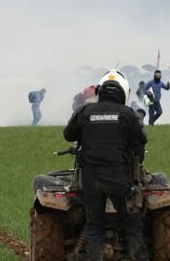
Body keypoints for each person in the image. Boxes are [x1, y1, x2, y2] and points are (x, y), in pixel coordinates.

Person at [64, 70, 149, 261]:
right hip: (119, 179)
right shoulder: (128, 114)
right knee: (131, 223)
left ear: (100, 91)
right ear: (123, 92)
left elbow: (68, 135)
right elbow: (140, 142)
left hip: (91, 180)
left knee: (94, 226)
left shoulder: (85, 111)